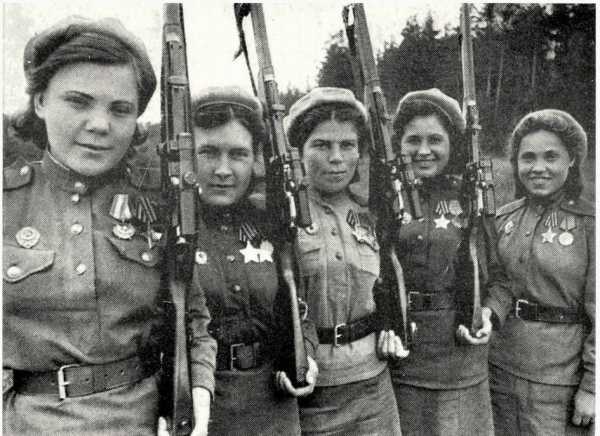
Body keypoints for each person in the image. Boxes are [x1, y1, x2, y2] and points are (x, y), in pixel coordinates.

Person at [2, 16, 216, 435]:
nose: (100, 124)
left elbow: (193, 320)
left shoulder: (160, 206)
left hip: (142, 422)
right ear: (40, 101)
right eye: (78, 102)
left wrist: (199, 398)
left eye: (120, 109)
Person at [187, 86, 319, 436]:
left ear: (255, 159)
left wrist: (306, 356)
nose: (223, 169)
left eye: (238, 154)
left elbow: (299, 309)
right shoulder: (172, 232)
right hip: (198, 407)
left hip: (273, 405)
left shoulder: (273, 226)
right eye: (208, 152)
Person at [286, 87, 403, 435]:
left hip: (374, 388)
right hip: (310, 390)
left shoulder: (371, 213)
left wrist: (391, 324)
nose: (336, 158)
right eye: (322, 145)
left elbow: (386, 283)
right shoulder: (282, 216)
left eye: (347, 145)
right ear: (298, 152)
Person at [389, 88, 499, 435]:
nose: (423, 150)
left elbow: (501, 276)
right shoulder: (384, 199)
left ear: (453, 145)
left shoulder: (473, 198)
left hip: (460, 359)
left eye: (435, 139)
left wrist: (489, 312)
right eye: (413, 140)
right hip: (403, 359)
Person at [481, 109, 595, 435]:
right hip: (499, 374)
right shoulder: (501, 219)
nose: (538, 168)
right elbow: (496, 284)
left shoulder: (590, 225)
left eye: (551, 157)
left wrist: (592, 387)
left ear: (572, 160)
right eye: (527, 157)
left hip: (560, 385)